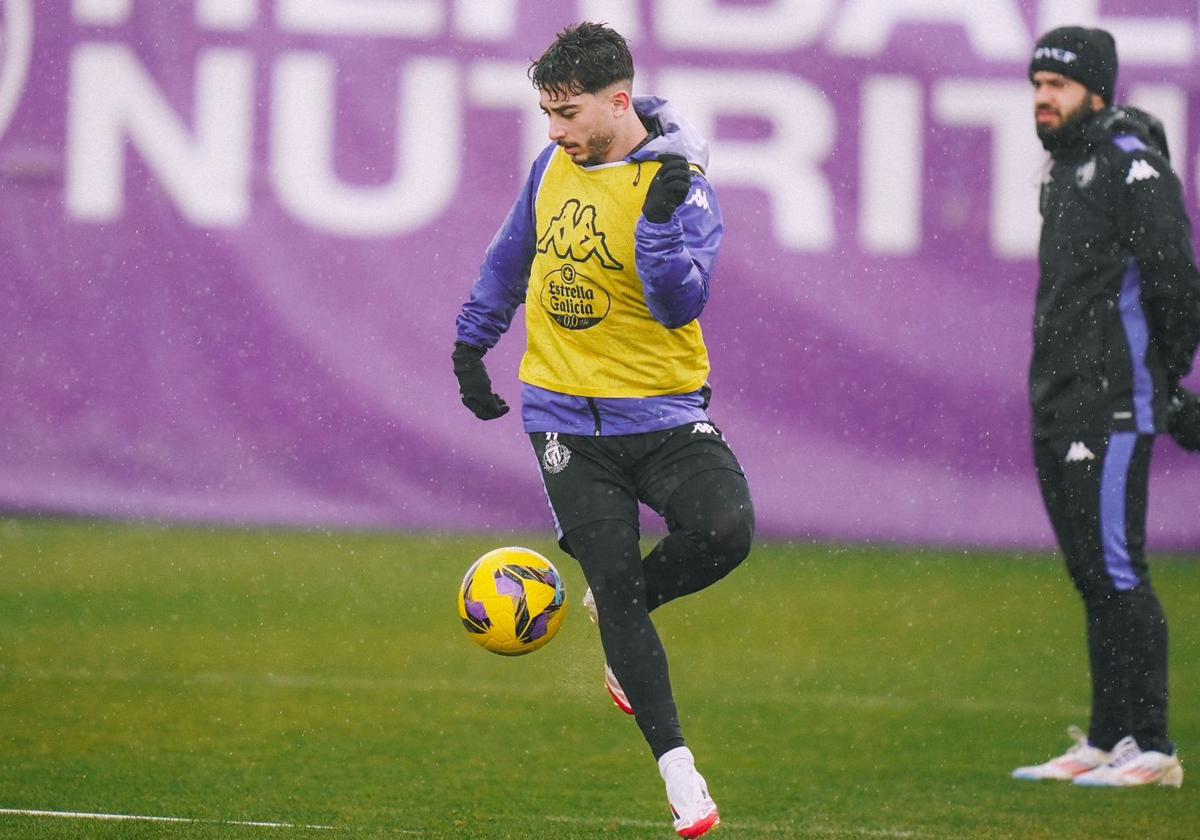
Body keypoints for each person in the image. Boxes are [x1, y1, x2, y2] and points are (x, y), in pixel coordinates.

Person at [452, 21, 754, 837]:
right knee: (619, 583)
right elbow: (510, 257)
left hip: (662, 410)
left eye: (568, 113)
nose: (554, 131)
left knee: (727, 534)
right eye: (547, 113)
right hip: (564, 420)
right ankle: (681, 773)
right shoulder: (554, 165)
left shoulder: (681, 183)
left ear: (619, 102)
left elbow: (680, 303)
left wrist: (655, 225)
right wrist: (472, 341)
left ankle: (617, 614)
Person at [1012, 26, 1200, 788]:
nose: (1042, 100)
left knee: (1120, 568)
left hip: (1114, 404)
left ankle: (1152, 747)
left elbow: (1176, 285)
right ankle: (1108, 736)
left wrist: (1165, 381)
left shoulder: (1134, 168)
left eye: (1056, 86)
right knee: (1093, 572)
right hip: (1060, 402)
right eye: (1036, 86)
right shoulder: (1065, 170)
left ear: (1097, 89)